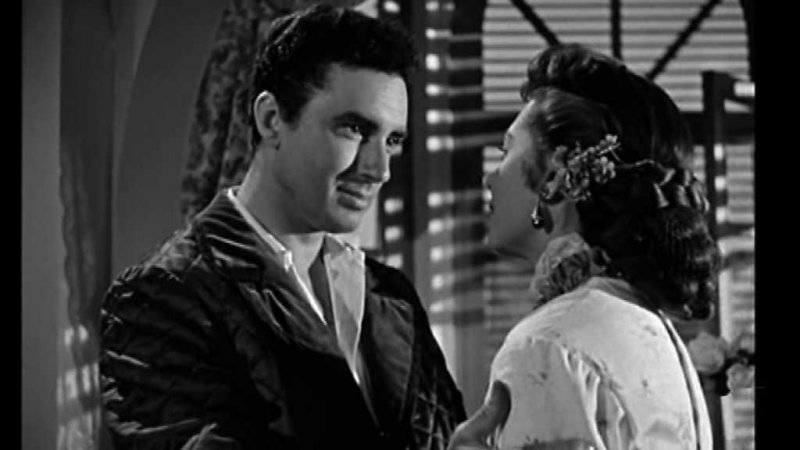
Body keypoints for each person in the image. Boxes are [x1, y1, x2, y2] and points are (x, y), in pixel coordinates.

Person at [99, 5, 466, 449]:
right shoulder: (163, 296)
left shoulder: (392, 295)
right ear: (271, 119)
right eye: (354, 129)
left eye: (392, 141)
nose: (379, 169)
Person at [448, 43, 719, 450]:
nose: (490, 178)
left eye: (506, 151)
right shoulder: (646, 321)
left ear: (555, 179)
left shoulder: (549, 344)